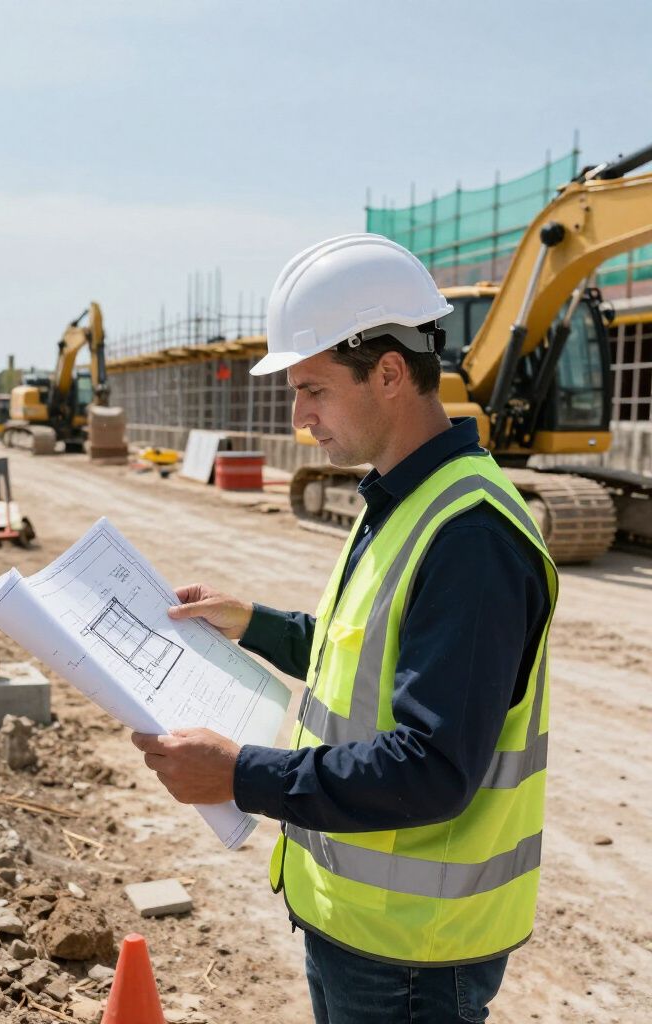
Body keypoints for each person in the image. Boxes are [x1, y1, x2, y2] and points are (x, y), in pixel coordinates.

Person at [131, 234, 557, 1023]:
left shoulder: (469, 537)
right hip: (360, 929)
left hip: (413, 954)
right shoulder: (403, 500)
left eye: (314, 390)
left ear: (390, 373)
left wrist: (240, 775)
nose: (301, 419)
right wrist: (252, 622)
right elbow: (361, 658)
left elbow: (432, 767)